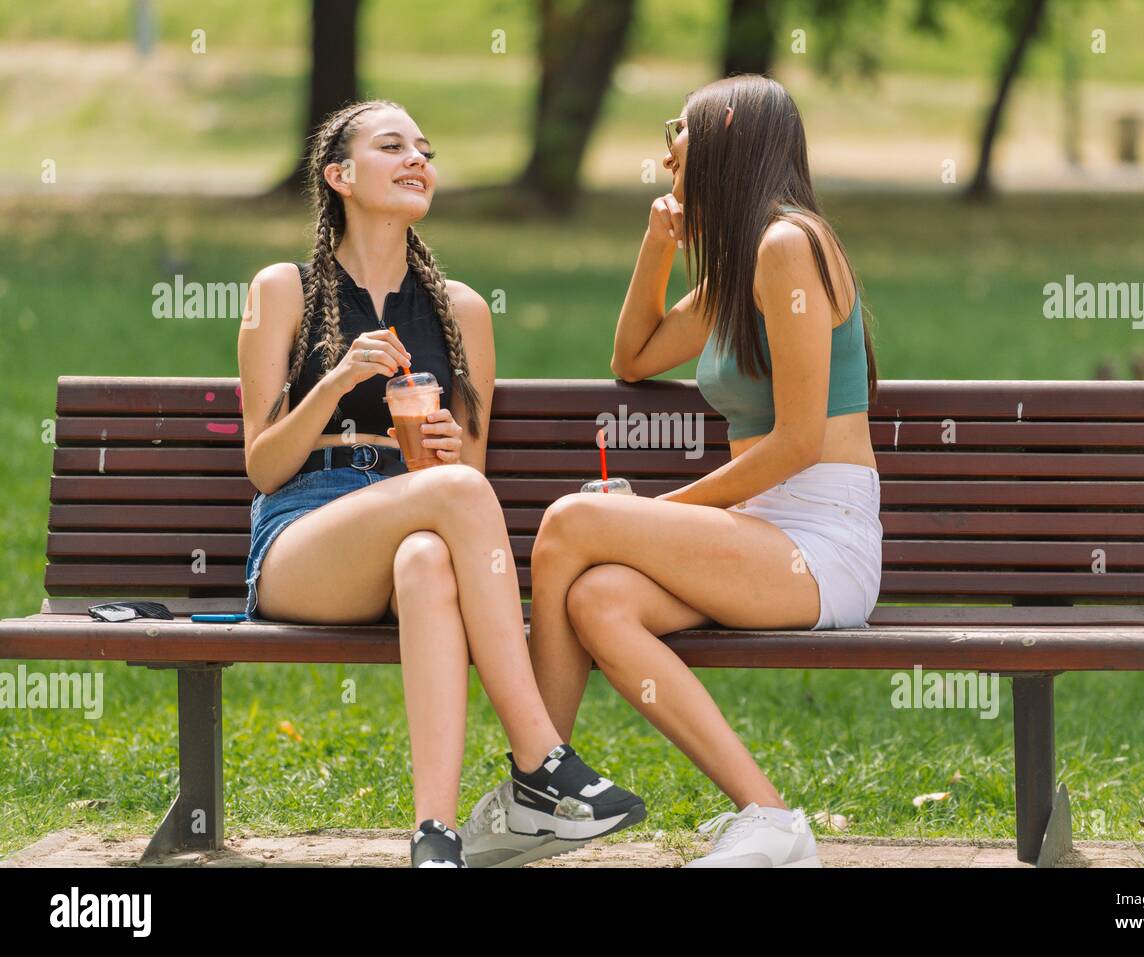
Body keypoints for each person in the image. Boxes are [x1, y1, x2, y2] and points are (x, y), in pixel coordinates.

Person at [463, 74, 884, 869]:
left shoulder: (789, 245)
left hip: (822, 544)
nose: (665, 156)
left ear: (725, 130)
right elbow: (632, 355)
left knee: (572, 522)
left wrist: (659, 514)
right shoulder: (738, 263)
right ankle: (768, 816)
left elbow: (797, 442)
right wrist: (660, 242)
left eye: (676, 134)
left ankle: (537, 788)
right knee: (599, 596)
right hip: (763, 537)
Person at [237, 99, 643, 868]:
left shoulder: (461, 311)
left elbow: (466, 487)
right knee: (440, 512)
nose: (417, 159)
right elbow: (262, 464)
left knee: (427, 557)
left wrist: (441, 453)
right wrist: (334, 384)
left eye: (425, 148)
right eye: (392, 146)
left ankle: (435, 833)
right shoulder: (282, 290)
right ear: (340, 176)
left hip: (411, 521)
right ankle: (540, 760)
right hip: (302, 539)